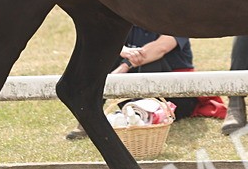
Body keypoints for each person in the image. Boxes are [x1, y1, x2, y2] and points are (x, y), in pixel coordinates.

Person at [66, 26, 224, 139]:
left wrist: (124, 66)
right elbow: (103, 41)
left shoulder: (175, 20)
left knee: (151, 62)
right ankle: (88, 119)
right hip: (135, 92)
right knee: (104, 57)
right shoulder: (127, 20)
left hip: (175, 97)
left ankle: (142, 117)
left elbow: (160, 49)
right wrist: (122, 50)